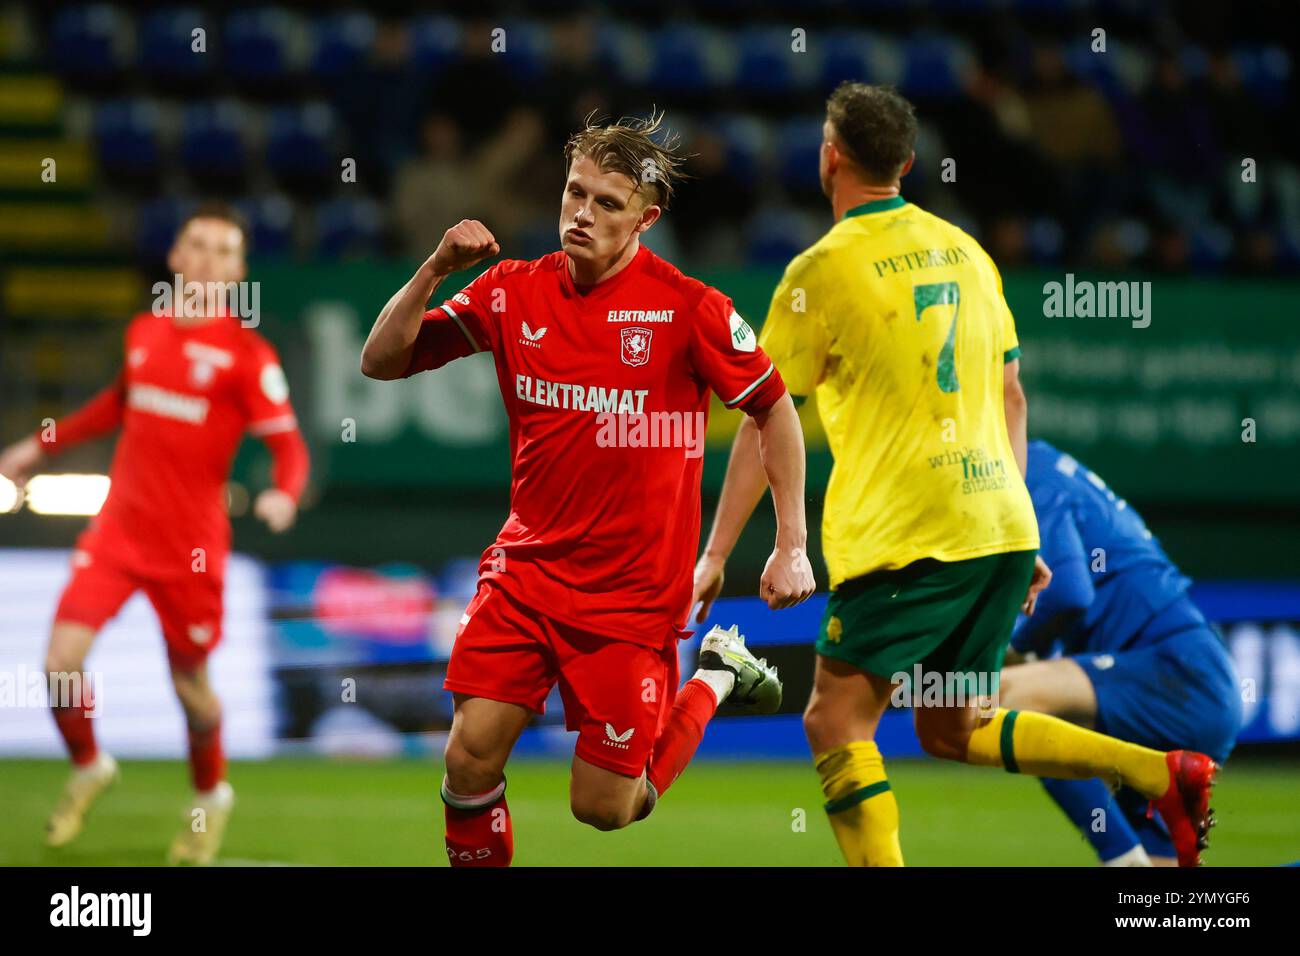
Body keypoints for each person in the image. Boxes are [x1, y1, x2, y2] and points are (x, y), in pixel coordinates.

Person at [694, 83, 1217, 867]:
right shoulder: (967, 252)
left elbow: (767, 415)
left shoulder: (821, 269)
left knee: (835, 722)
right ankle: (1157, 771)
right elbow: (1011, 393)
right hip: (997, 527)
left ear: (829, 157)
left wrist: (717, 552)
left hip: (905, 537)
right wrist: (1023, 527)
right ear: (906, 163)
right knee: (953, 722)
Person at [361, 113, 816, 866]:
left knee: (605, 809)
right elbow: (381, 361)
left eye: (607, 202)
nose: (582, 213)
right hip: (526, 576)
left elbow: (774, 408)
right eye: (575, 193)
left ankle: (714, 678)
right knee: (469, 759)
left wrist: (791, 545)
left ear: (646, 217)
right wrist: (436, 267)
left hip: (632, 601)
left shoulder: (690, 309)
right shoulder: (512, 292)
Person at [0, 203, 309, 865]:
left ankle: (210, 797)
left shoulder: (247, 358)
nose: (206, 260)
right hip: (118, 532)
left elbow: (289, 447)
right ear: (174, 257)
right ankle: (88, 765)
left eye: (223, 251)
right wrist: (36, 445)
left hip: (189, 552)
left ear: (238, 272)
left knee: (192, 693)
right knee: (58, 668)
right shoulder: (144, 333)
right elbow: (114, 405)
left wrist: (283, 494)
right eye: (196, 245)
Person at [999, 440, 1241, 865]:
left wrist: (1014, 649)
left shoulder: (1028, 470)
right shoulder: (1043, 466)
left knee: (1009, 701)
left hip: (1174, 671)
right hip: (1178, 678)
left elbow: (1070, 592)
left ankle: (1121, 857)